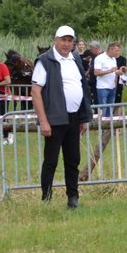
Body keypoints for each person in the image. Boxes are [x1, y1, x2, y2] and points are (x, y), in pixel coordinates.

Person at [30, 25, 91, 209]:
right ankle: (46, 197)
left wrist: (83, 117)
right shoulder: (45, 61)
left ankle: (73, 197)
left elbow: (82, 88)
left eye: (69, 40)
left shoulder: (75, 60)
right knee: (51, 160)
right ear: (55, 40)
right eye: (63, 40)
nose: (66, 44)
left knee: (73, 159)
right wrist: (43, 121)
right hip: (54, 118)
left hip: (73, 117)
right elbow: (36, 91)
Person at [92, 41, 123, 117]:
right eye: (116, 51)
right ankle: (102, 126)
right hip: (102, 87)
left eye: (119, 51)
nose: (118, 53)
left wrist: (117, 72)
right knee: (103, 109)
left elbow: (114, 72)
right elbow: (96, 73)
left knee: (110, 109)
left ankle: (109, 127)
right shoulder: (100, 58)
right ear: (110, 49)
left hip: (112, 87)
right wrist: (110, 71)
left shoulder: (113, 59)